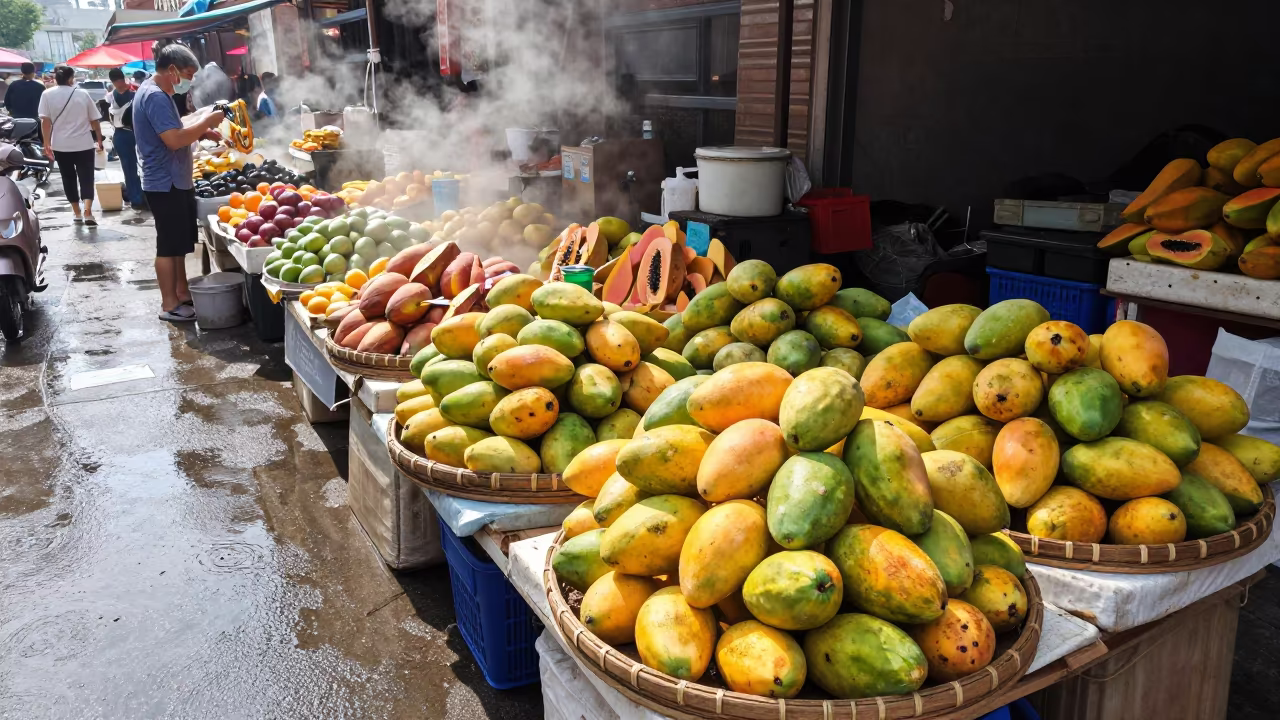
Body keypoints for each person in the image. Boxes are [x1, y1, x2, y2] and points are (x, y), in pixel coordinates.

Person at [133, 43, 222, 323]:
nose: (190, 80)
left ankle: (182, 292)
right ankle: (169, 303)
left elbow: (176, 129)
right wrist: (207, 120)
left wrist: (202, 132)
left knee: (180, 243)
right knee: (168, 245)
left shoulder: (158, 93)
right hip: (164, 180)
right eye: (187, 73)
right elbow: (173, 140)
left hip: (174, 178)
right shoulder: (155, 96)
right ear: (171, 69)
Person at [39, 65, 103, 226]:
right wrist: (99, 139)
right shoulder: (82, 94)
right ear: (70, 79)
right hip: (84, 144)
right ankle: (88, 212)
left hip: (61, 145)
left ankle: (76, 213)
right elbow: (94, 119)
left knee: (68, 179)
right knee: (87, 177)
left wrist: (46, 143)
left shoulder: (47, 94)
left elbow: (45, 121)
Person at [106, 68, 144, 210]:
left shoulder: (136, 91)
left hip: (130, 134)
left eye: (119, 81)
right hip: (127, 134)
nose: (118, 84)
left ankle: (140, 197)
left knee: (139, 167)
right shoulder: (113, 96)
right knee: (129, 168)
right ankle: (137, 199)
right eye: (116, 82)